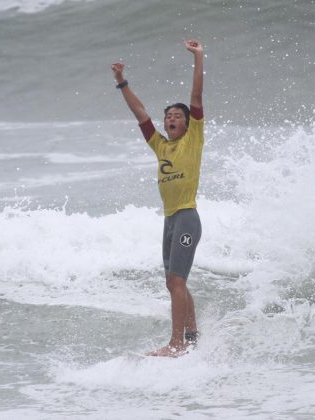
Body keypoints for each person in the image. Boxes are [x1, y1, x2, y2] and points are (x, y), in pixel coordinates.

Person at [111, 39, 205, 357]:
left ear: (187, 122)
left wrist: (198, 58)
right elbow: (139, 113)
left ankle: (176, 344)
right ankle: (192, 337)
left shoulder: (193, 138)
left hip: (187, 216)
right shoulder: (160, 145)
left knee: (176, 282)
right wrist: (121, 81)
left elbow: (196, 96)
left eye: (177, 116)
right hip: (170, 220)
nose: (171, 119)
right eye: (168, 117)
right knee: (173, 283)